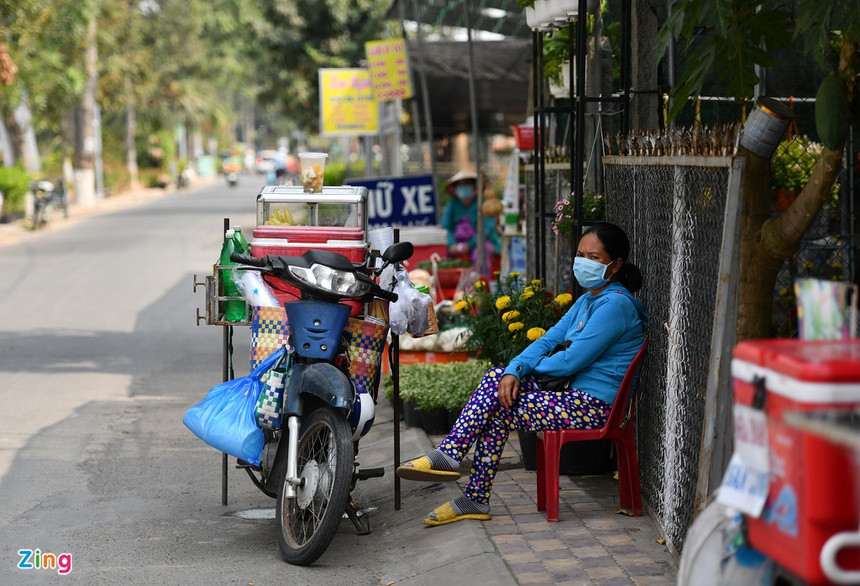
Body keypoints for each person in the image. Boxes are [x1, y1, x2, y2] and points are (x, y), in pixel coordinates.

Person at [396, 221, 648, 526]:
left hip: (596, 407)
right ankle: (461, 476)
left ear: (616, 264)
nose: (584, 262)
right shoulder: (588, 299)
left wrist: (522, 370)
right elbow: (549, 340)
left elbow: (570, 361)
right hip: (574, 397)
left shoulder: (616, 306)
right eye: (581, 254)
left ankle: (461, 474)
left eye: (594, 257)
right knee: (498, 381)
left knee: (500, 401)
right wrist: (515, 369)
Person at [440, 169, 502, 267]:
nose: (463, 188)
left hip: (481, 243)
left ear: (475, 186)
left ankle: (481, 281)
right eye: (460, 185)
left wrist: (469, 245)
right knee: (441, 256)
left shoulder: (484, 203)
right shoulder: (452, 204)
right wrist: (452, 244)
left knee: (481, 252)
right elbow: (445, 227)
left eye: (466, 184)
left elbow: (487, 229)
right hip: (456, 245)